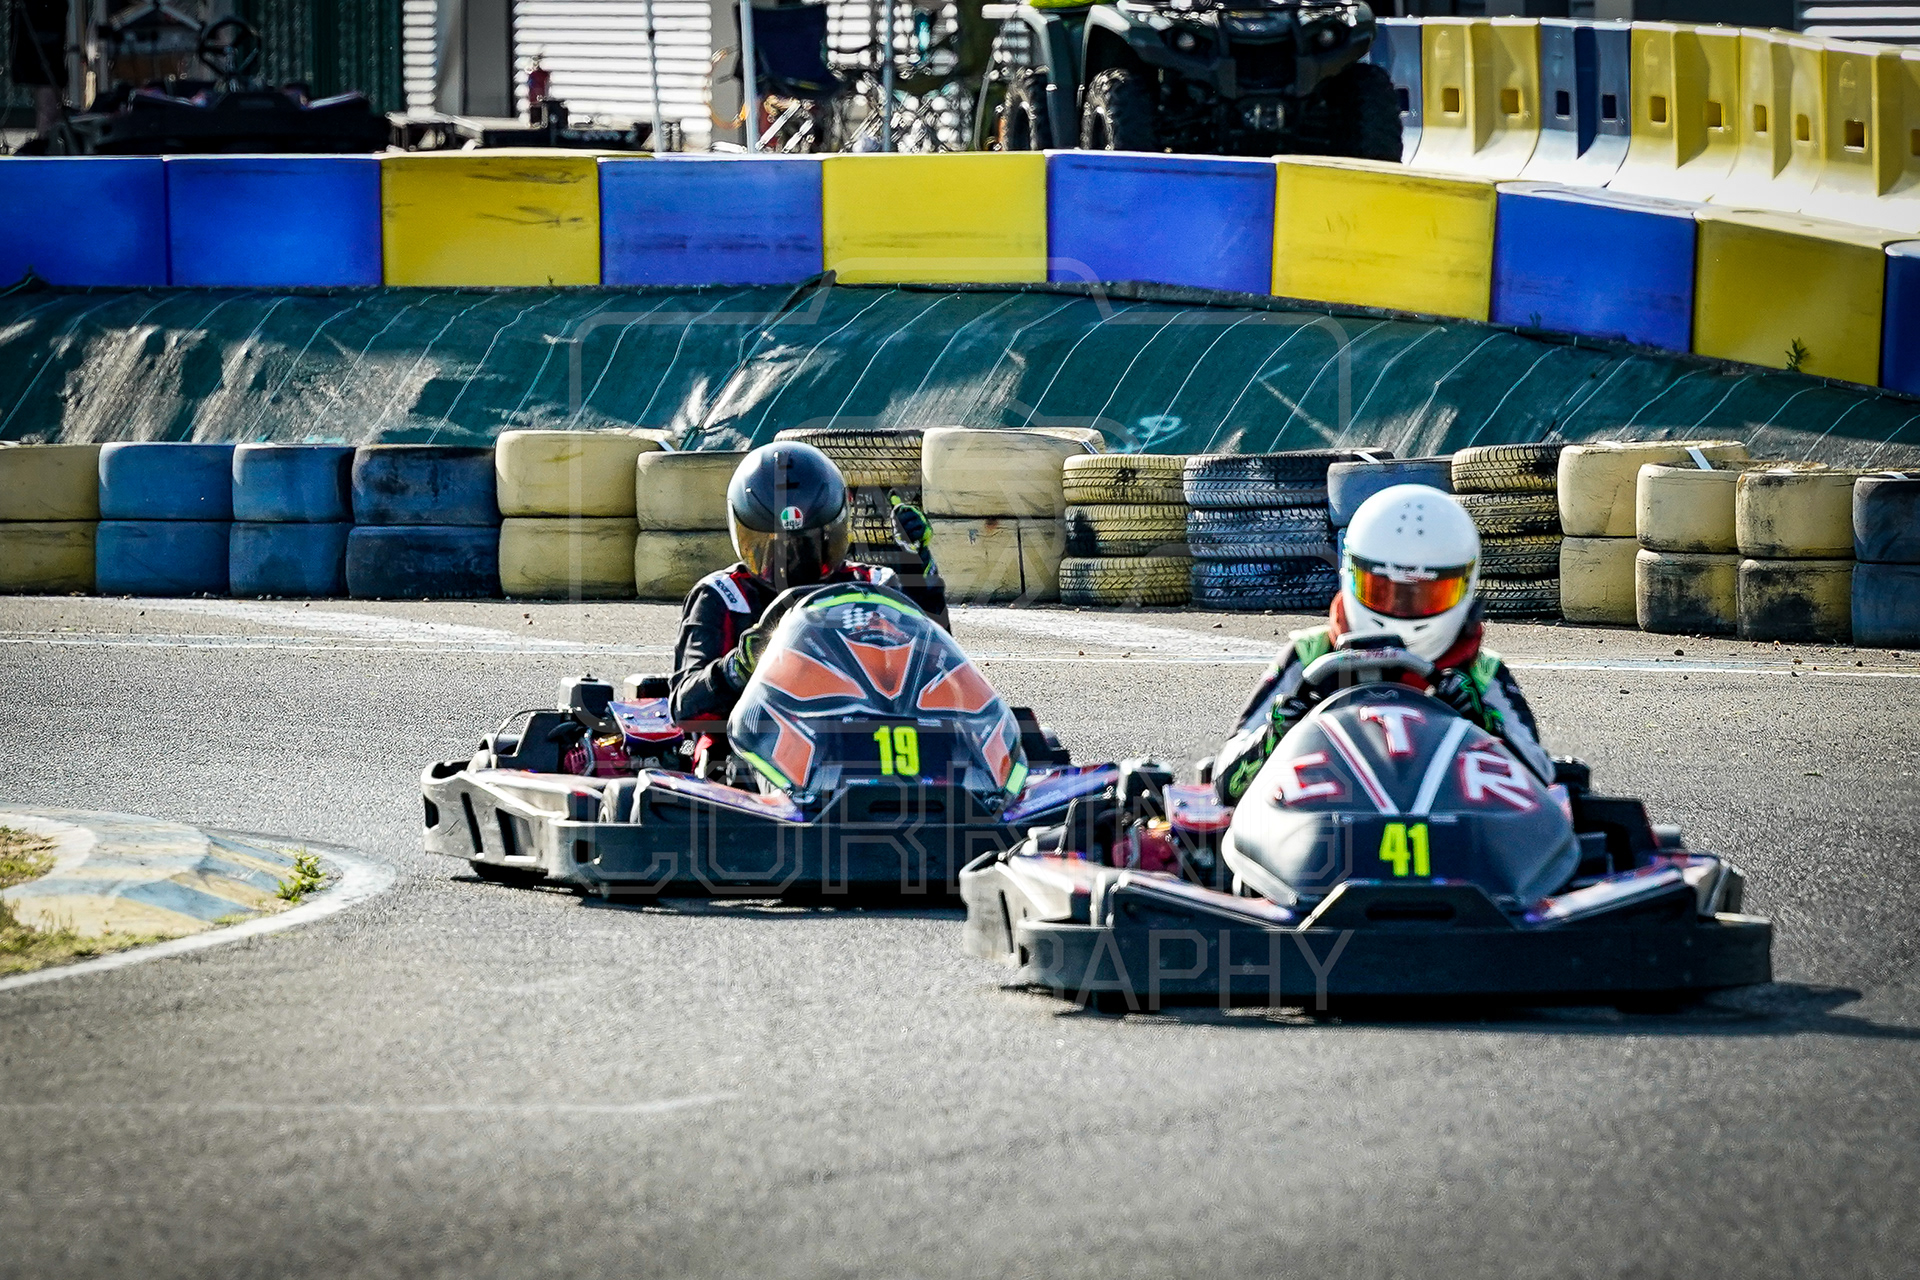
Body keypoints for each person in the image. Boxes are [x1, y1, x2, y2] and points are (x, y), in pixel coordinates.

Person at [1211, 483, 1553, 805]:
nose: (1402, 609)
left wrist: (1481, 723)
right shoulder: (1310, 655)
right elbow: (1227, 782)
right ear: (1351, 574)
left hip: (1450, 819)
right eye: (1383, 590)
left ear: (1465, 586)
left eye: (1426, 595)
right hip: (1330, 817)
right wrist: (1279, 733)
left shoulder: (1481, 671)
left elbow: (1543, 782)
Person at [668, 440, 947, 774]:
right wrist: (738, 667)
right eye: (775, 547)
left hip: (868, 741)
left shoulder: (873, 585)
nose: (794, 560)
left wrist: (920, 571)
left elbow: (938, 668)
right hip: (762, 753)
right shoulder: (724, 596)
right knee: (723, 762)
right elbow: (684, 708)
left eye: (812, 543)